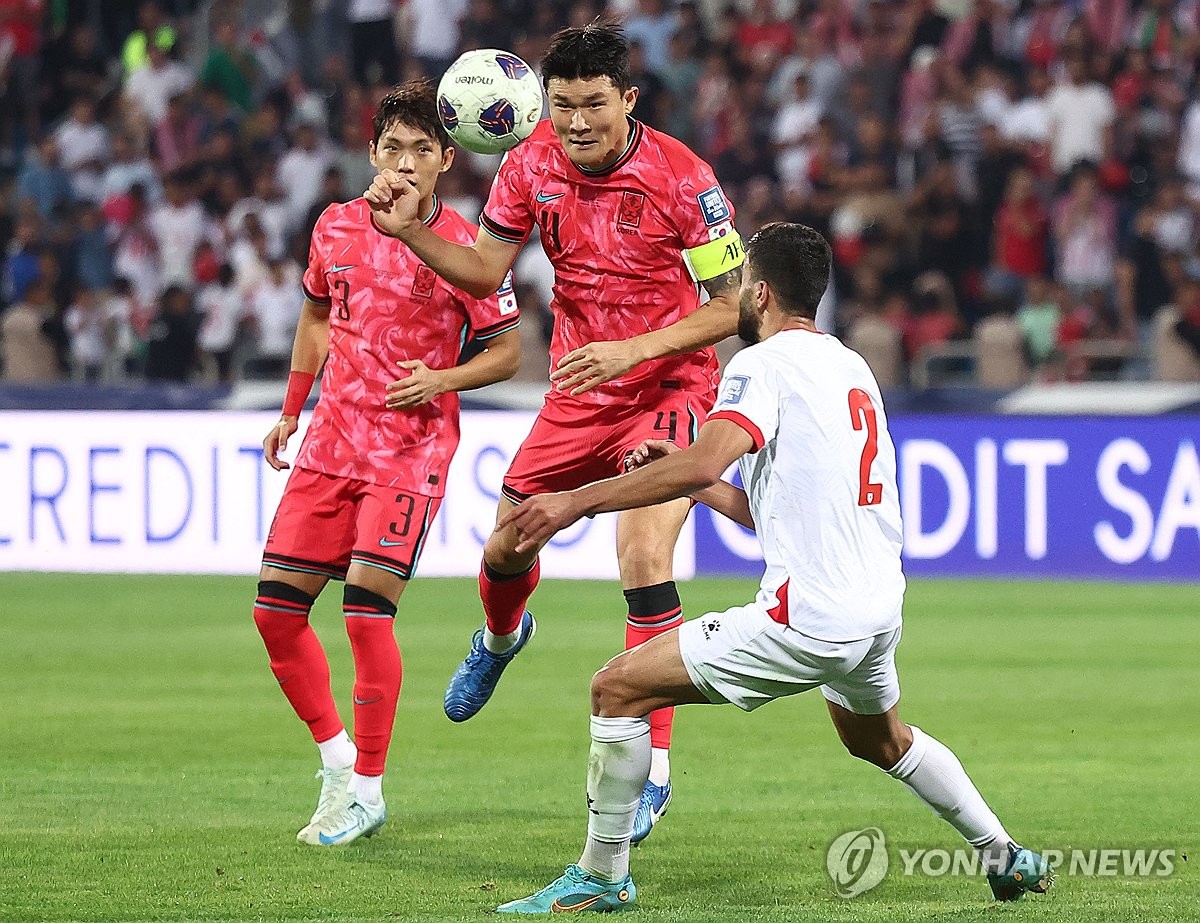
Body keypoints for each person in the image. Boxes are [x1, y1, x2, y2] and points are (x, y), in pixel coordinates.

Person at [493, 223, 1054, 912]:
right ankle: (1004, 853)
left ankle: (603, 874)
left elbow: (703, 458)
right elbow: (769, 505)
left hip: (809, 615)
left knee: (616, 688)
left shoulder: (761, 367)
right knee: (883, 740)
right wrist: (692, 485)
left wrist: (572, 503)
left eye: (737, 284)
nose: (728, 296)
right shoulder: (850, 366)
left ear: (760, 292)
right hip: (875, 610)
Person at [365, 22, 746, 845]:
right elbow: (486, 273)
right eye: (564, 104)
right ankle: (503, 635)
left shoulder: (687, 178)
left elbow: (733, 306)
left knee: (644, 556)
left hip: (668, 383)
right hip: (580, 392)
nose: (577, 122)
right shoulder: (527, 162)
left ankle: (653, 770)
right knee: (505, 548)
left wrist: (635, 350)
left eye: (594, 105)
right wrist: (409, 234)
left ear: (628, 100)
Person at [253, 80, 522, 847]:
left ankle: (368, 790)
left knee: (366, 612)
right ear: (372, 152)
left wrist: (443, 379)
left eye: (421, 152)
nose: (404, 165)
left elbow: (506, 351)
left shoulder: (469, 248)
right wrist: (291, 408)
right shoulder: (335, 226)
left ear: (446, 160)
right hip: (331, 443)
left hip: (410, 449)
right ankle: (337, 762)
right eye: (392, 149)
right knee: (274, 612)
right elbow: (314, 313)